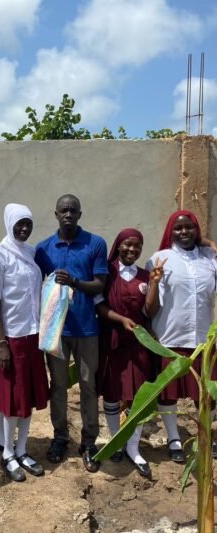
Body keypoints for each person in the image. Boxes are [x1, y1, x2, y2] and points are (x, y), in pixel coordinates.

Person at [34, 194, 108, 472]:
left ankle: (89, 441)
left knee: (88, 385)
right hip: (56, 329)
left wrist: (75, 281)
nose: (68, 214)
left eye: (72, 210)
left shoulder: (95, 244)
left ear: (79, 214)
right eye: (63, 210)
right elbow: (35, 284)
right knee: (58, 385)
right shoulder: (43, 249)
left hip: (87, 328)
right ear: (56, 214)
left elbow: (100, 284)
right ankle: (60, 437)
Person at [0, 204, 49, 482]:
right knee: (13, 400)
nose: (24, 229)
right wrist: (2, 342)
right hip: (12, 337)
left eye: (28, 224)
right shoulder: (0, 256)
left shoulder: (31, 252)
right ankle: (8, 452)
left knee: (29, 397)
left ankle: (23, 449)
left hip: (33, 334)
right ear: (9, 223)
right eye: (19, 224)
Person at [147, 210, 217, 463]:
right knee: (169, 393)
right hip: (171, 336)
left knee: (207, 393)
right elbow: (150, 308)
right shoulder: (160, 259)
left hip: (203, 338)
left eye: (189, 227)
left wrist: (208, 242)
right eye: (178, 228)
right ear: (170, 232)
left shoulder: (209, 259)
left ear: (197, 230)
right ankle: (174, 438)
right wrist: (155, 282)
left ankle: (205, 435)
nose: (184, 232)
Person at [96, 228, 165, 479]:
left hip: (138, 343)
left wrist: (155, 283)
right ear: (118, 245)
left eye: (137, 246)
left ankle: (133, 447)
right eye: (127, 244)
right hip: (112, 340)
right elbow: (99, 306)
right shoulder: (106, 272)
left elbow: (150, 311)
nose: (132, 249)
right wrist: (121, 319)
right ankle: (116, 441)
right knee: (112, 393)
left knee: (138, 396)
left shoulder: (145, 276)